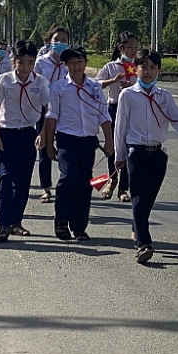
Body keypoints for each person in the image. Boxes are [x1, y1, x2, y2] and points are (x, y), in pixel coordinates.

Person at [116, 50, 178, 263]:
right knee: (138, 196)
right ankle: (143, 243)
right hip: (136, 152)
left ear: (158, 70)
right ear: (136, 69)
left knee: (149, 198)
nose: (148, 72)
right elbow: (120, 127)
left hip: (157, 153)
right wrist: (120, 155)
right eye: (144, 67)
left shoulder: (164, 96)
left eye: (153, 67)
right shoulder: (128, 95)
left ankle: (137, 226)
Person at [42, 45, 113, 242]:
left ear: (86, 63)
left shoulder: (95, 88)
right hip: (66, 140)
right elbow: (51, 117)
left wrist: (109, 140)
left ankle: (79, 226)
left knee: (84, 182)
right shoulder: (58, 88)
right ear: (65, 65)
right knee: (68, 177)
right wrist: (49, 145)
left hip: (88, 141)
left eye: (79, 62)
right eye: (71, 62)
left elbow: (103, 116)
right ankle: (61, 221)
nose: (75, 66)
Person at [0, 40, 49, 242]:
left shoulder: (40, 81)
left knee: (23, 181)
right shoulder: (5, 80)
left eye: (30, 63)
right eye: (21, 62)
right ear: (14, 61)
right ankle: (3, 224)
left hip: (28, 135)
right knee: (6, 177)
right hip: (6, 133)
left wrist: (42, 133)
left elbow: (46, 109)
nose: (25, 68)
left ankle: (16, 222)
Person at [95, 31, 139, 202]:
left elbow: (148, 82)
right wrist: (113, 80)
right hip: (114, 108)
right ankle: (112, 180)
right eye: (129, 48)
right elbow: (96, 84)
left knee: (129, 148)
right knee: (112, 148)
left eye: (136, 47)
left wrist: (132, 84)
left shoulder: (139, 65)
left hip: (132, 110)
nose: (133, 51)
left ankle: (123, 188)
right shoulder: (111, 67)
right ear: (121, 48)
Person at [33, 26, 70, 203]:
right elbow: (34, 85)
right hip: (45, 111)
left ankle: (66, 184)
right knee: (44, 148)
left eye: (64, 40)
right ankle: (46, 188)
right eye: (57, 40)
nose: (60, 43)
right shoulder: (41, 62)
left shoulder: (70, 63)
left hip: (65, 111)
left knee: (64, 148)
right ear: (49, 41)